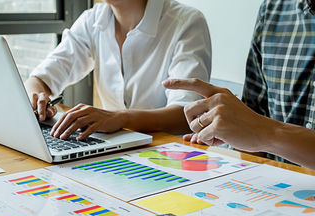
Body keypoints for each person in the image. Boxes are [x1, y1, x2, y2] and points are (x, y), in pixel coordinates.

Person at [25, 0, 211, 141]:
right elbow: (39, 80)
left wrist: (120, 118)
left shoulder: (186, 23)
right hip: (114, 149)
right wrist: (38, 98)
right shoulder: (93, 20)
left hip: (168, 154)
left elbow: (186, 115)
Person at [162, 0, 315, 170]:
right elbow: (255, 128)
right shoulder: (273, 10)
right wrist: (227, 131)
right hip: (275, 188)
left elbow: (261, 129)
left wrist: (266, 132)